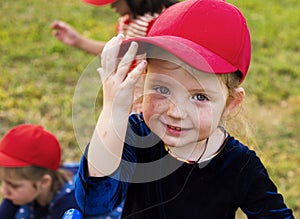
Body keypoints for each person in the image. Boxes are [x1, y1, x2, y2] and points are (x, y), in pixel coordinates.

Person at [74, 0, 295, 218]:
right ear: (143, 81)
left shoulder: (238, 165)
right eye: (162, 88)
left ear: (230, 103)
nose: (175, 112)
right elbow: (94, 201)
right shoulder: (137, 135)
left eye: (200, 97)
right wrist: (113, 110)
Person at [0, 124, 81, 219]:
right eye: (2, 181)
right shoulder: (16, 194)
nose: (4, 191)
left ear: (44, 181)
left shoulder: (69, 207)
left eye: (14, 186)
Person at [51, 0, 179, 55]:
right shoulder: (129, 20)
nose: (111, 6)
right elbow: (119, 52)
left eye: (116, 1)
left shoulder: (157, 24)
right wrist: (78, 40)